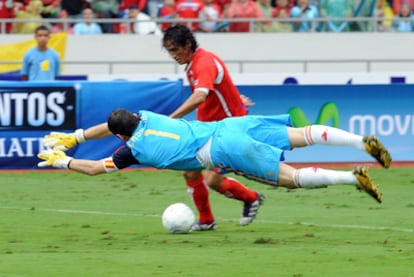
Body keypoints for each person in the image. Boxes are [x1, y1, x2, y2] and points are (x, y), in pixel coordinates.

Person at [39, 109, 392, 207]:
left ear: (121, 136)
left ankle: (352, 178)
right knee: (300, 136)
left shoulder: (133, 149)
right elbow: (111, 124)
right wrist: (77, 136)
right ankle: (361, 142)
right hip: (230, 126)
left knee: (288, 177)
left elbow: (95, 169)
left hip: (223, 150)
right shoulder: (146, 115)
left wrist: (62, 159)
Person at [162, 24, 262, 231]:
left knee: (213, 180)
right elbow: (218, 86)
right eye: (170, 51)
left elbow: (200, 96)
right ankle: (206, 220)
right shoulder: (193, 63)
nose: (173, 56)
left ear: (188, 44)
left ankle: (251, 198)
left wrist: (171, 119)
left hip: (229, 129)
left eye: (175, 50)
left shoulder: (203, 62)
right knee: (190, 172)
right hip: (208, 127)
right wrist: (235, 97)